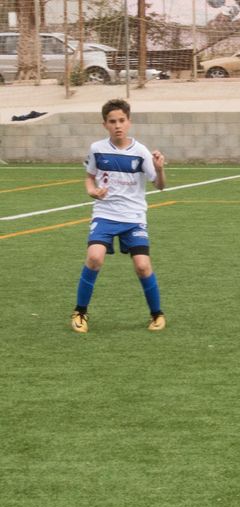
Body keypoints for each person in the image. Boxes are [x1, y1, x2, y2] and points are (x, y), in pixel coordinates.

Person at [70, 98, 166, 334]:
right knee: (94, 258)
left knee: (143, 266)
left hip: (133, 217)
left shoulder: (141, 152)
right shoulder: (97, 149)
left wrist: (161, 169)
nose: (118, 125)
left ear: (129, 122)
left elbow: (160, 186)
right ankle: (80, 312)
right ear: (105, 125)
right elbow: (89, 177)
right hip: (105, 214)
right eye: (112, 121)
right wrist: (92, 192)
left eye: (121, 120)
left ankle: (157, 314)